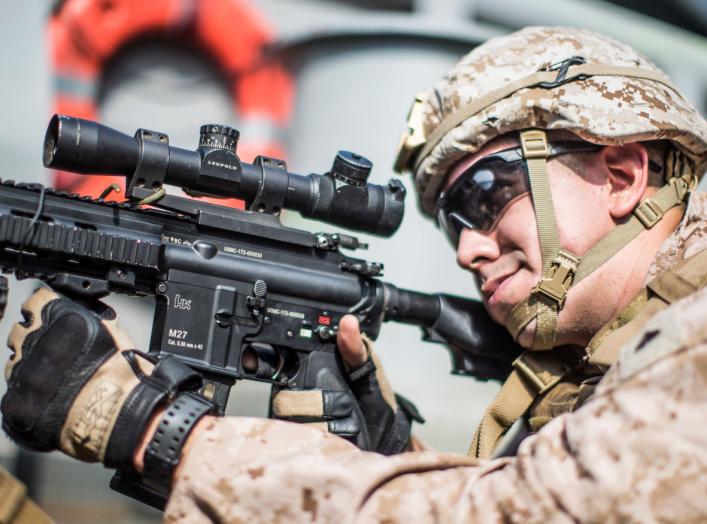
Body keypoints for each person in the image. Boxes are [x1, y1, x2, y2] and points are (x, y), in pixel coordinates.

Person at [3, 26, 707, 523]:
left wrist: (154, 425)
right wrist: (389, 453)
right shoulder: (601, 374)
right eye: (452, 223)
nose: (467, 251)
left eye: (483, 196)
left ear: (620, 175)